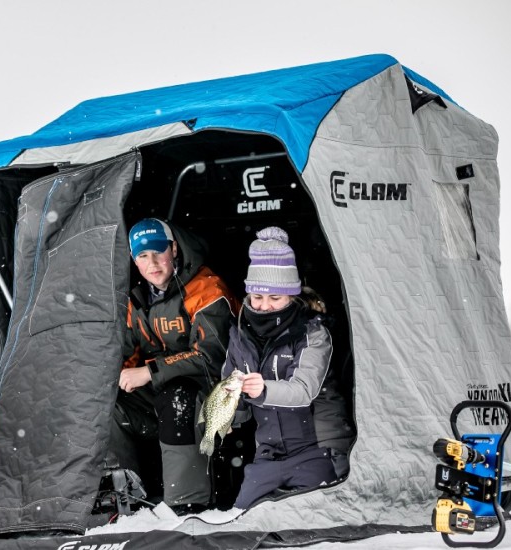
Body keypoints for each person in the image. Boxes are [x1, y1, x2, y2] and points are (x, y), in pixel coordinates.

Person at [110, 218, 238, 515]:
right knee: (110, 404)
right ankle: (125, 499)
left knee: (176, 396)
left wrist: (150, 371)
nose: (152, 262)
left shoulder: (206, 288)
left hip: (215, 394)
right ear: (134, 260)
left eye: (158, 251)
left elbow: (211, 358)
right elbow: (126, 356)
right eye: (142, 256)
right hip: (162, 393)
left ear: (174, 249)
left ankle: (186, 506)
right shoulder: (137, 300)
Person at [222, 226, 354, 509]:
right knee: (243, 520)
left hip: (319, 449)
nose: (265, 306)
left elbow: (303, 390)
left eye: (275, 298)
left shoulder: (314, 334)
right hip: (268, 455)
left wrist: (264, 389)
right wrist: (227, 416)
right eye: (257, 297)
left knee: (312, 523)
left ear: (291, 297)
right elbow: (231, 394)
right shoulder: (240, 335)